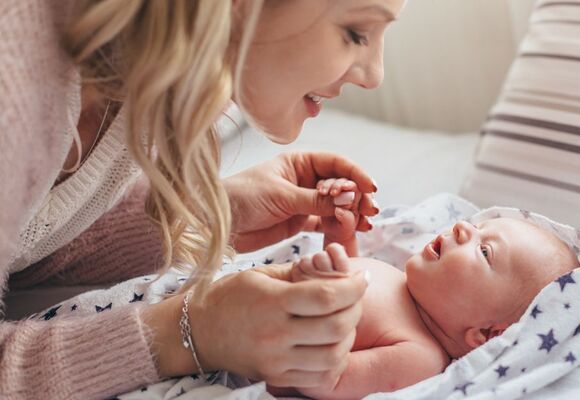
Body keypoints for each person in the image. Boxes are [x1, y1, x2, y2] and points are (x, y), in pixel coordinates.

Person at [0, 0, 406, 398]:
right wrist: (189, 333)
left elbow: (30, 240)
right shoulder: (12, 74)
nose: (375, 75)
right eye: (356, 33)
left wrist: (205, 215)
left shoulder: (156, 71)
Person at [265, 181, 580, 399]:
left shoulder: (420, 357)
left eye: (485, 251)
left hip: (256, 341)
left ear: (485, 334)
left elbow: (331, 380)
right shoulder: (399, 281)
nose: (464, 227)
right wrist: (339, 237)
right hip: (251, 301)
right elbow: (349, 273)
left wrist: (316, 309)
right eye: (479, 227)